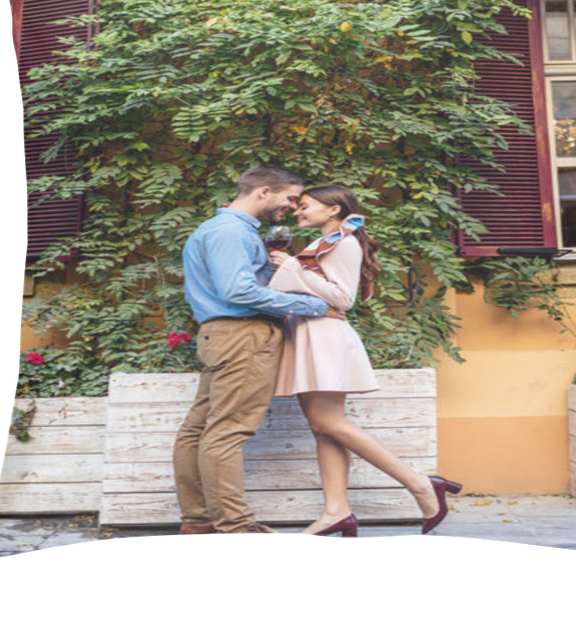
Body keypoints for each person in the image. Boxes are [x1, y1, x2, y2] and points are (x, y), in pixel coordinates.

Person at [268, 184, 462, 536]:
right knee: (322, 426)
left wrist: (294, 269)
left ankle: (420, 484)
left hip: (324, 334)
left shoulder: (344, 243)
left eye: (306, 206)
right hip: (310, 333)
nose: (298, 211)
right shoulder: (326, 242)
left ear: (333, 209)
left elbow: (344, 298)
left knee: (330, 423)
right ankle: (336, 511)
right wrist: (297, 268)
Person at [172, 166, 345, 534]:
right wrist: (315, 305)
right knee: (228, 431)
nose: (293, 207)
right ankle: (235, 527)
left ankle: (198, 520)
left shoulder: (222, 229)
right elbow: (238, 292)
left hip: (221, 334)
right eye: (289, 199)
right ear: (264, 192)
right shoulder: (232, 232)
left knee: (199, 429)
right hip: (243, 335)